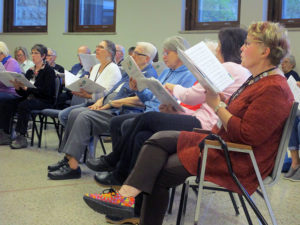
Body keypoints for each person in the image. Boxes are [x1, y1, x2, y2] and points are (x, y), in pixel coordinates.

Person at [83, 21, 293, 225]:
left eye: (248, 44)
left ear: (265, 51)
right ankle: (125, 196)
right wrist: (220, 104)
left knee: (158, 167)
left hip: (236, 158)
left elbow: (248, 135)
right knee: (157, 139)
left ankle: (127, 198)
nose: (242, 49)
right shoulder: (260, 80)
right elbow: (239, 113)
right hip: (221, 143)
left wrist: (218, 106)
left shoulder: (273, 87)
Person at [47, 42, 158, 180]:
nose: (132, 55)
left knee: (83, 116)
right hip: (109, 105)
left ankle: (73, 167)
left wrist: (109, 103)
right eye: (133, 52)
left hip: (120, 111)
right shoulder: (131, 71)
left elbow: (142, 100)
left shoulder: (149, 74)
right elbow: (112, 90)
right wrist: (101, 101)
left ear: (146, 58)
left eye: (136, 53)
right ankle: (69, 158)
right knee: (74, 113)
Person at [0, 44, 56, 149]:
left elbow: (46, 92)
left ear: (43, 56)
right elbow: (23, 93)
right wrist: (18, 87)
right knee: (7, 102)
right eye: (32, 53)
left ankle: (21, 136)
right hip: (31, 97)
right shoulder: (30, 71)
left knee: (24, 105)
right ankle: (5, 133)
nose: (33, 55)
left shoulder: (49, 71)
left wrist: (27, 89)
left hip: (44, 100)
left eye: (36, 53)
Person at [58, 40, 122, 127]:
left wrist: (88, 96)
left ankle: (84, 137)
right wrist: (80, 88)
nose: (97, 49)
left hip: (102, 106)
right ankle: (82, 137)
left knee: (69, 115)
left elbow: (108, 94)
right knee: (63, 115)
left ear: (109, 53)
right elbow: (90, 88)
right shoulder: (95, 67)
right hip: (90, 103)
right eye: (97, 46)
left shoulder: (113, 69)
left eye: (101, 47)